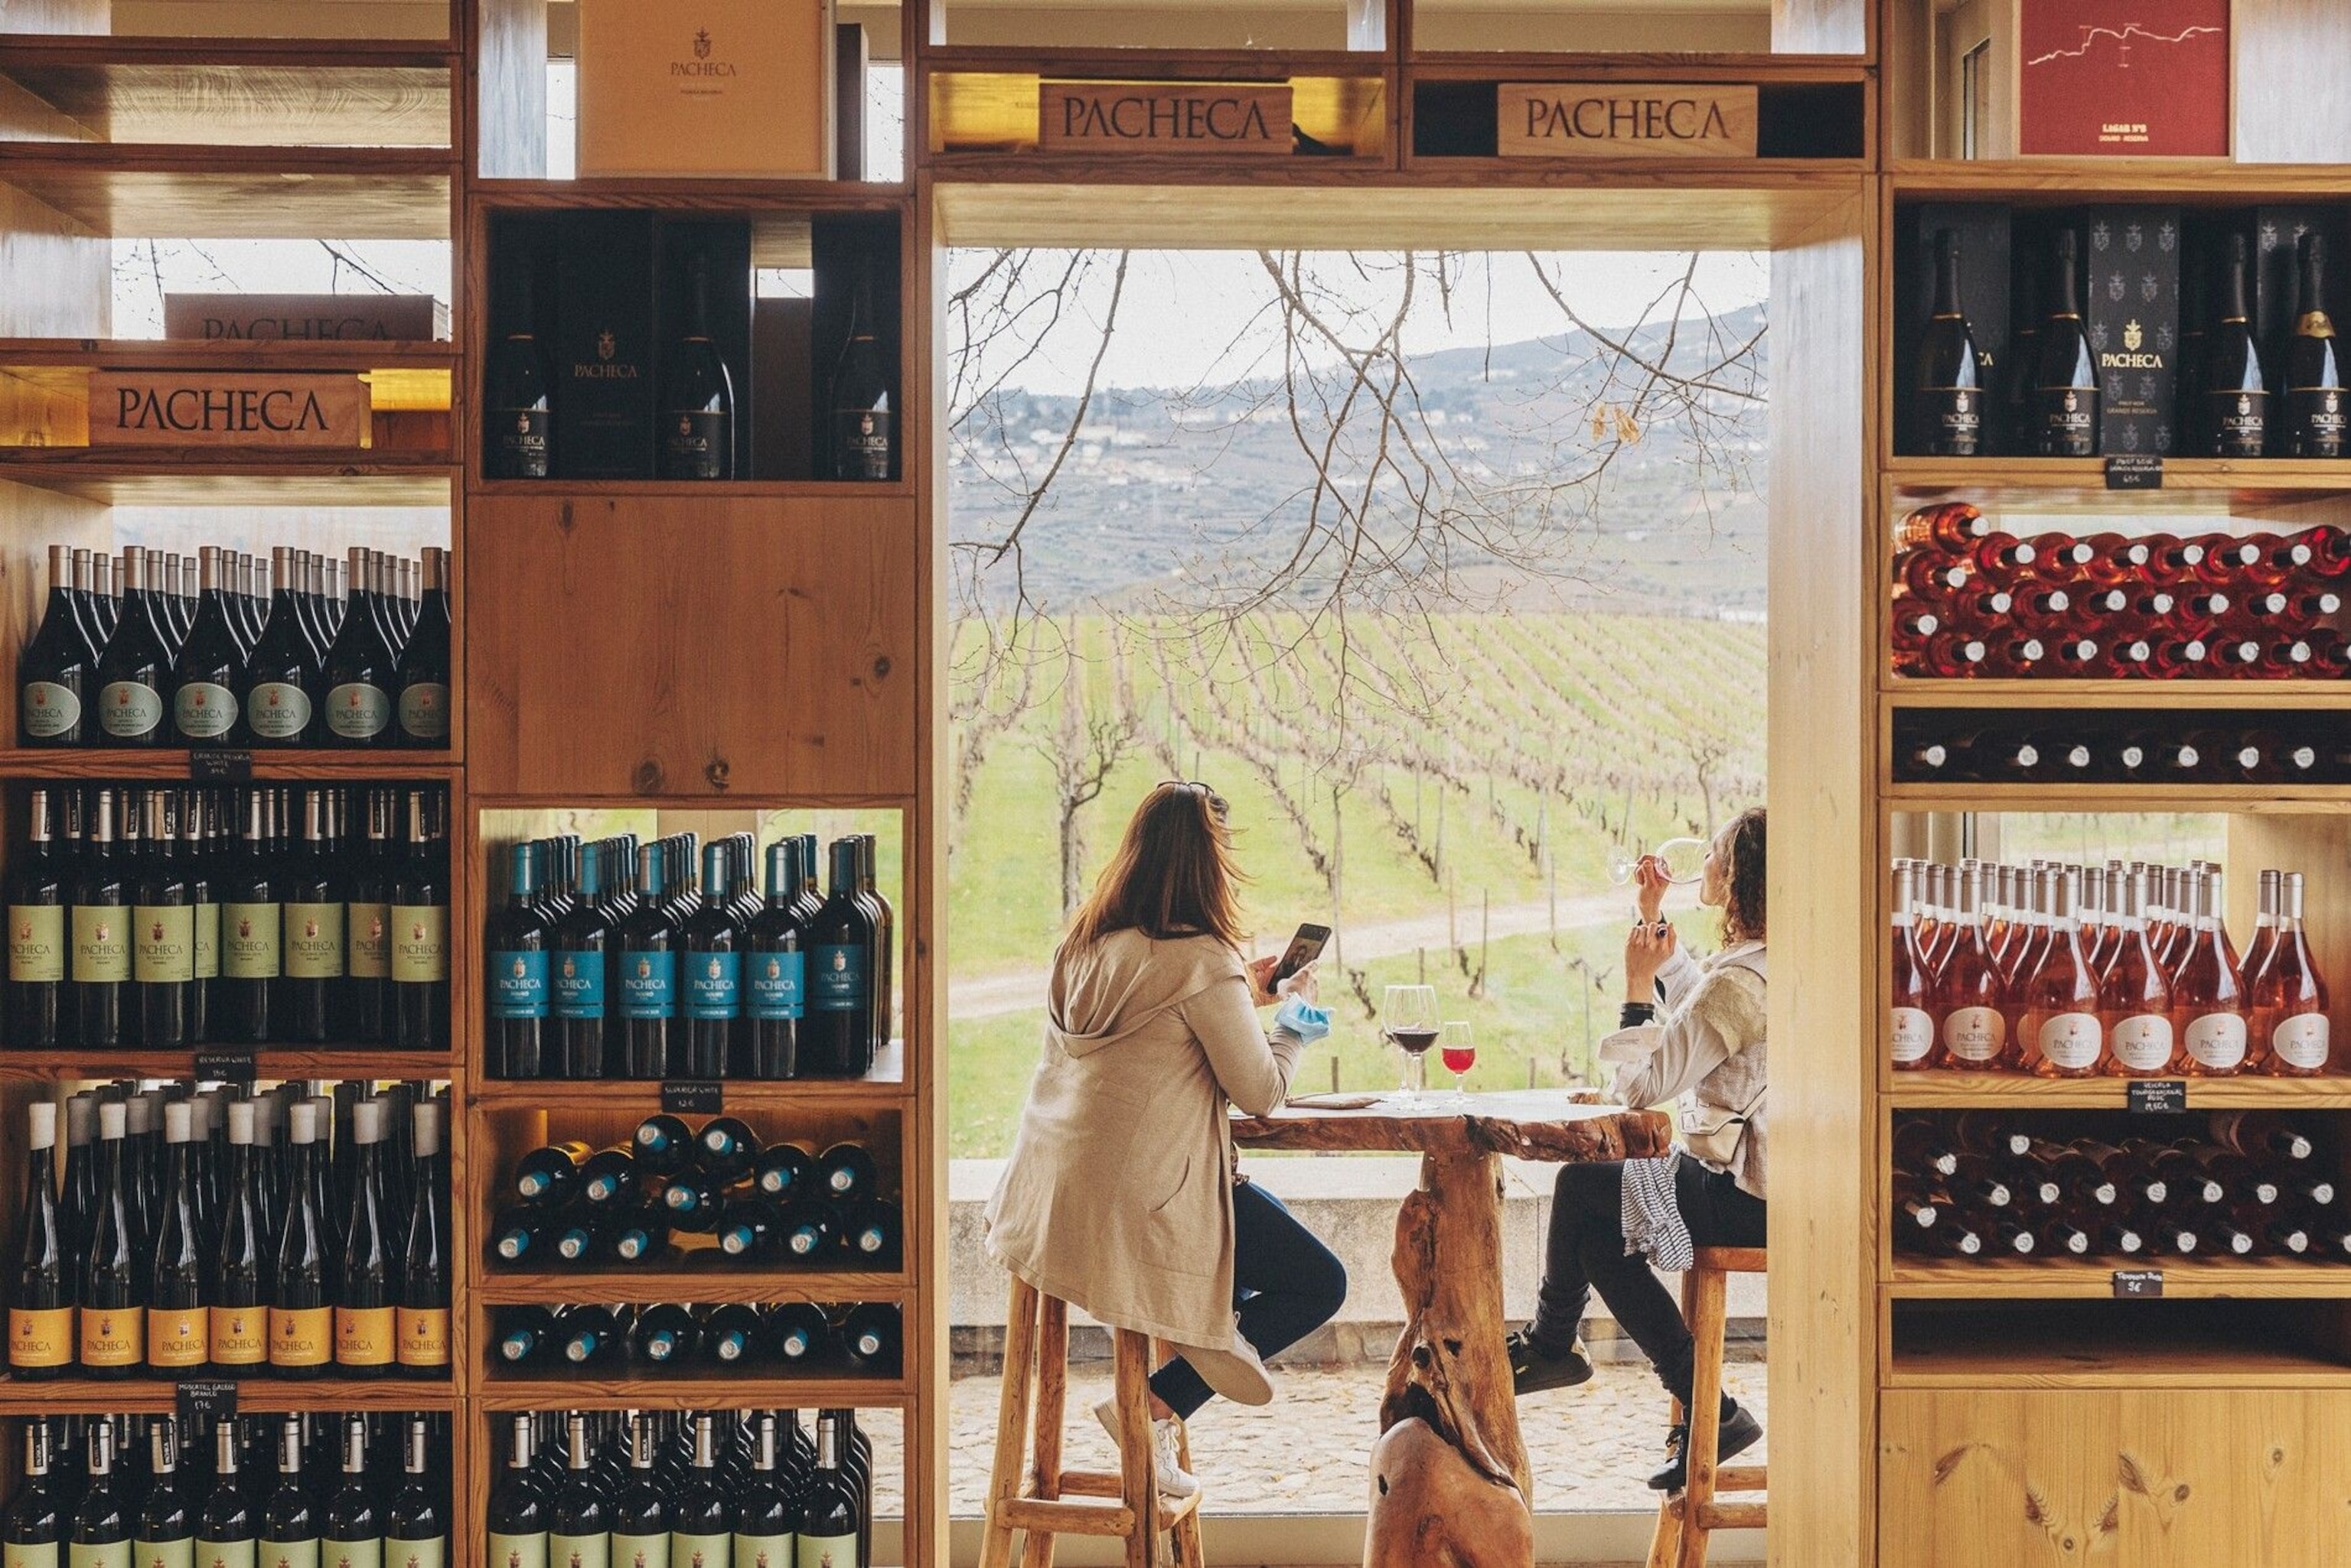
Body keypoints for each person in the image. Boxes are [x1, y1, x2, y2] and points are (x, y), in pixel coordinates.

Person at [985, 780, 1348, 1500]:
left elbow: (1156, 1024)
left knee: (1243, 1257)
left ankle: (1195, 1330)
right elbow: (1260, 1094)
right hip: (1140, 1210)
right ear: (1211, 867)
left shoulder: (1083, 945)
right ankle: (1151, 1402)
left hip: (1047, 1204)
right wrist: (1292, 1025)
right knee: (1317, 1281)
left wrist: (1245, 993)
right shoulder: (1203, 960)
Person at [1508, 807, 1768, 1492]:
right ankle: (1715, 1413)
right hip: (1764, 1182)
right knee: (1599, 1234)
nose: (1702, 864)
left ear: (1737, 877)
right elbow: (1703, 1013)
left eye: (1713, 854)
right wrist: (1652, 917)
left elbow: (1643, 1086)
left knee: (1582, 1188)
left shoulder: (1739, 984)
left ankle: (1551, 1341)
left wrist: (1632, 985)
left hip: (1742, 1195)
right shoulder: (1765, 963)